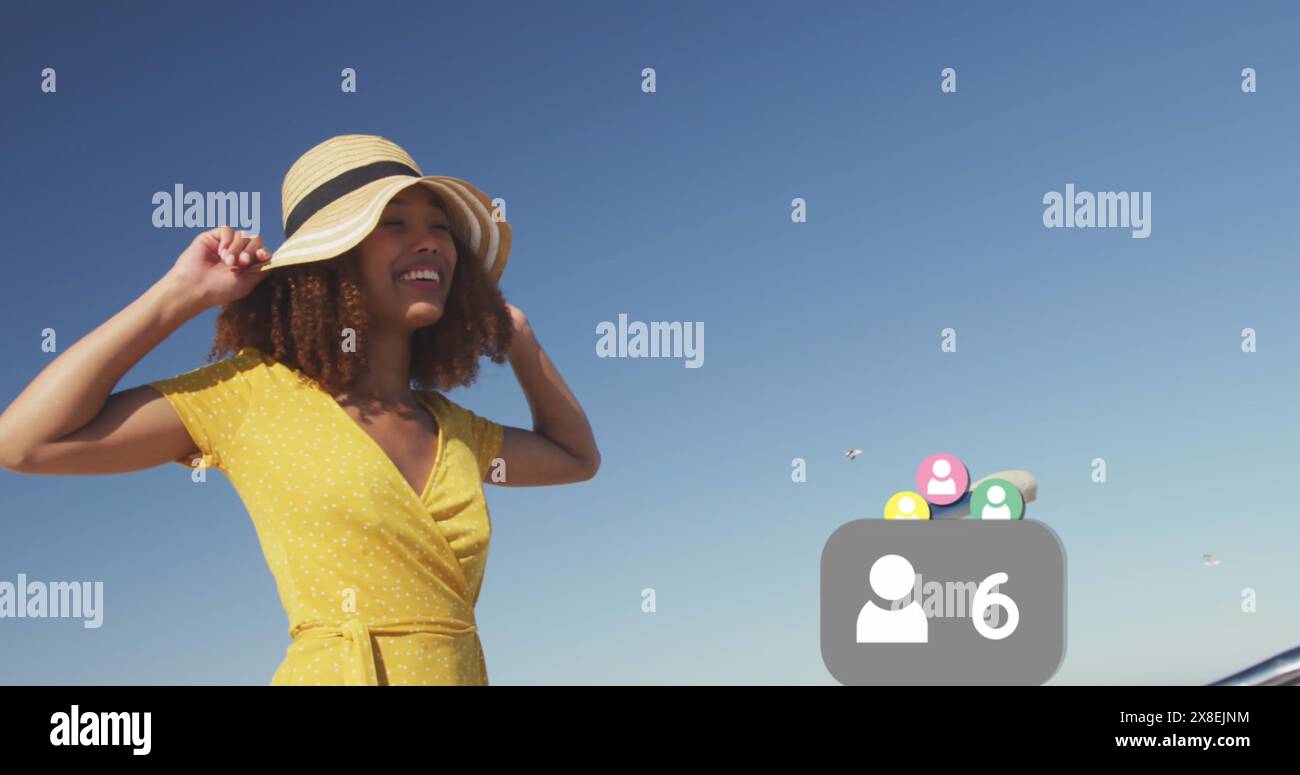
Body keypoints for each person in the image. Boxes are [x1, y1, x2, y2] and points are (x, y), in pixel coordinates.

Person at [0, 134, 601, 685]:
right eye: (393, 222)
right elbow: (24, 443)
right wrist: (178, 297)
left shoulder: (456, 429)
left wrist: (520, 338)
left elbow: (577, 458)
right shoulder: (248, 397)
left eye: (439, 227)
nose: (429, 241)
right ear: (334, 258)